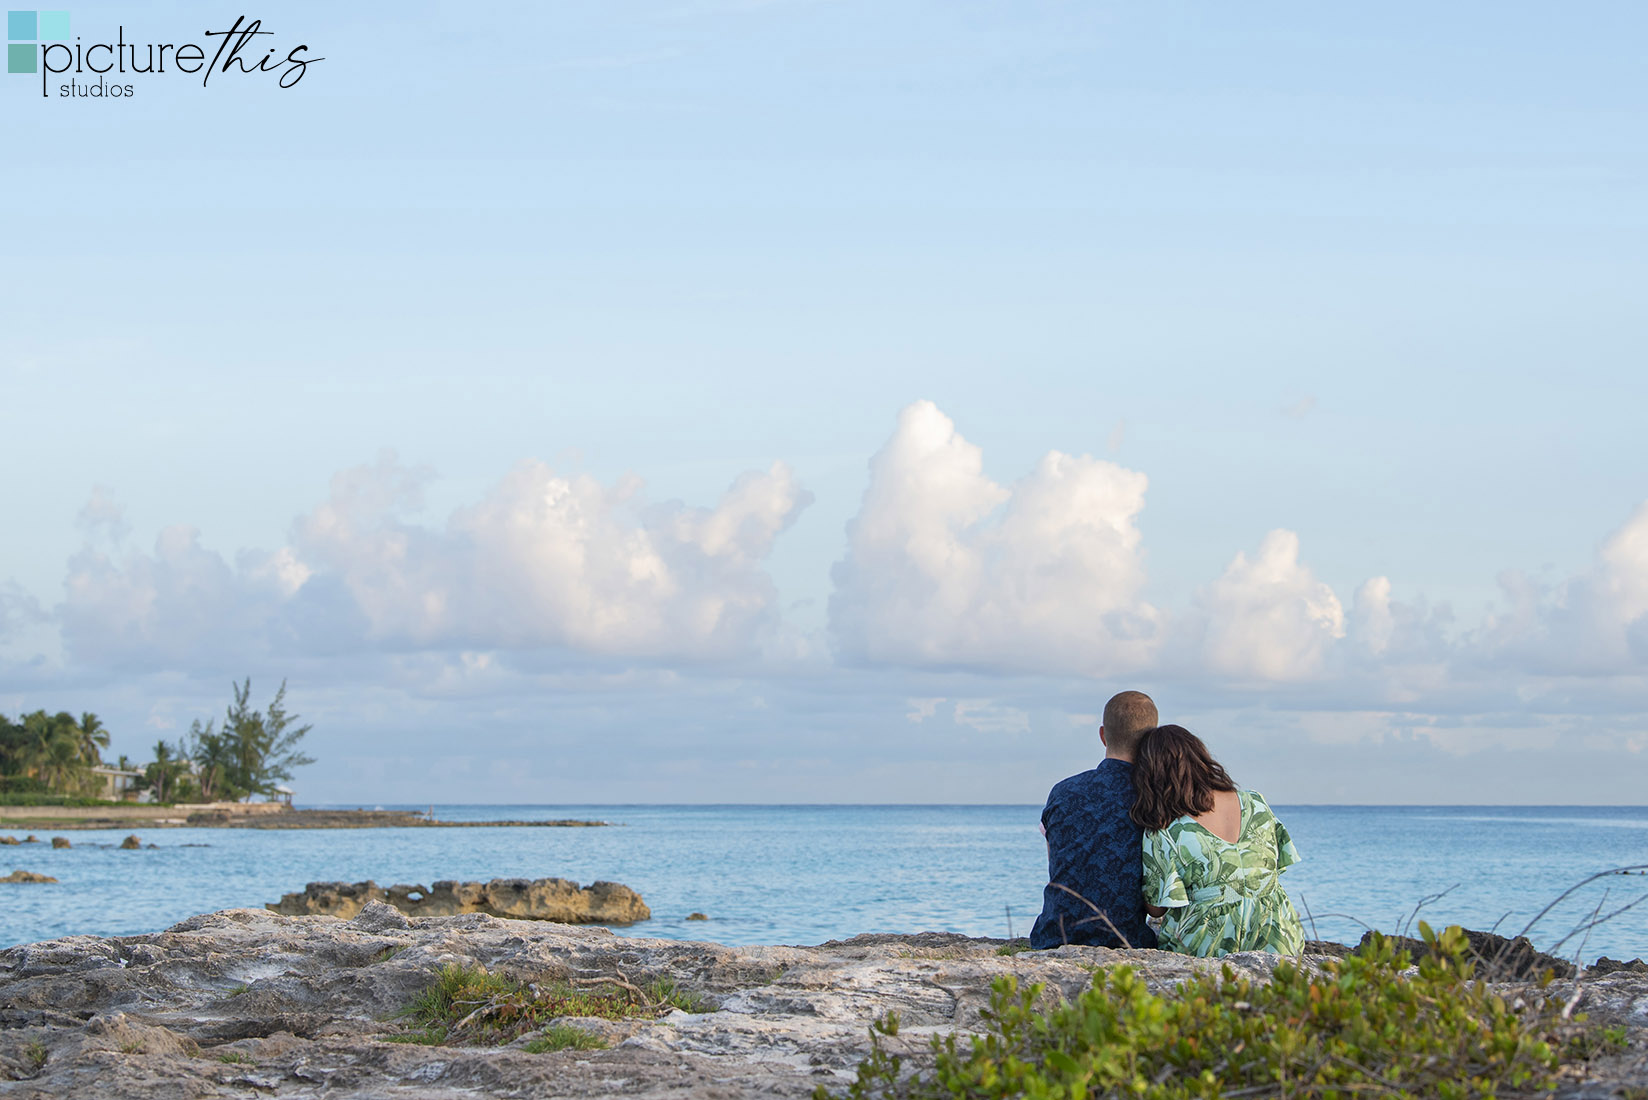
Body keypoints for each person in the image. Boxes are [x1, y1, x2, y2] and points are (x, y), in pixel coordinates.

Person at [1130, 724, 1304, 957]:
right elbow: (1274, 867)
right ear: (1202, 758)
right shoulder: (1256, 802)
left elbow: (1157, 908)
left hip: (1209, 940)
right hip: (1278, 932)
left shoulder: (1165, 830)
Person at [1030, 690, 1160, 950]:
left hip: (1053, 937)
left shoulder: (1062, 791)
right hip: (1124, 940)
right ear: (1152, 740)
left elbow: (1057, 865)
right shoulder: (1154, 797)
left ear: (1103, 735)